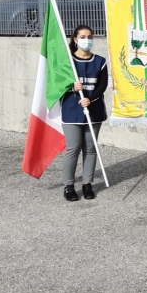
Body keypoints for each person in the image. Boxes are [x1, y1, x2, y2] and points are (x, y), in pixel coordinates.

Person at [61, 25, 108, 202]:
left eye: (89, 36)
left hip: (93, 110)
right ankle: (69, 186)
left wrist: (91, 99)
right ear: (75, 39)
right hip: (71, 111)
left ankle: (87, 184)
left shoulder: (100, 61)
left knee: (90, 148)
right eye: (82, 37)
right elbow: (56, 84)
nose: (86, 40)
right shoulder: (67, 62)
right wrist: (71, 86)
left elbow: (102, 86)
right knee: (73, 148)